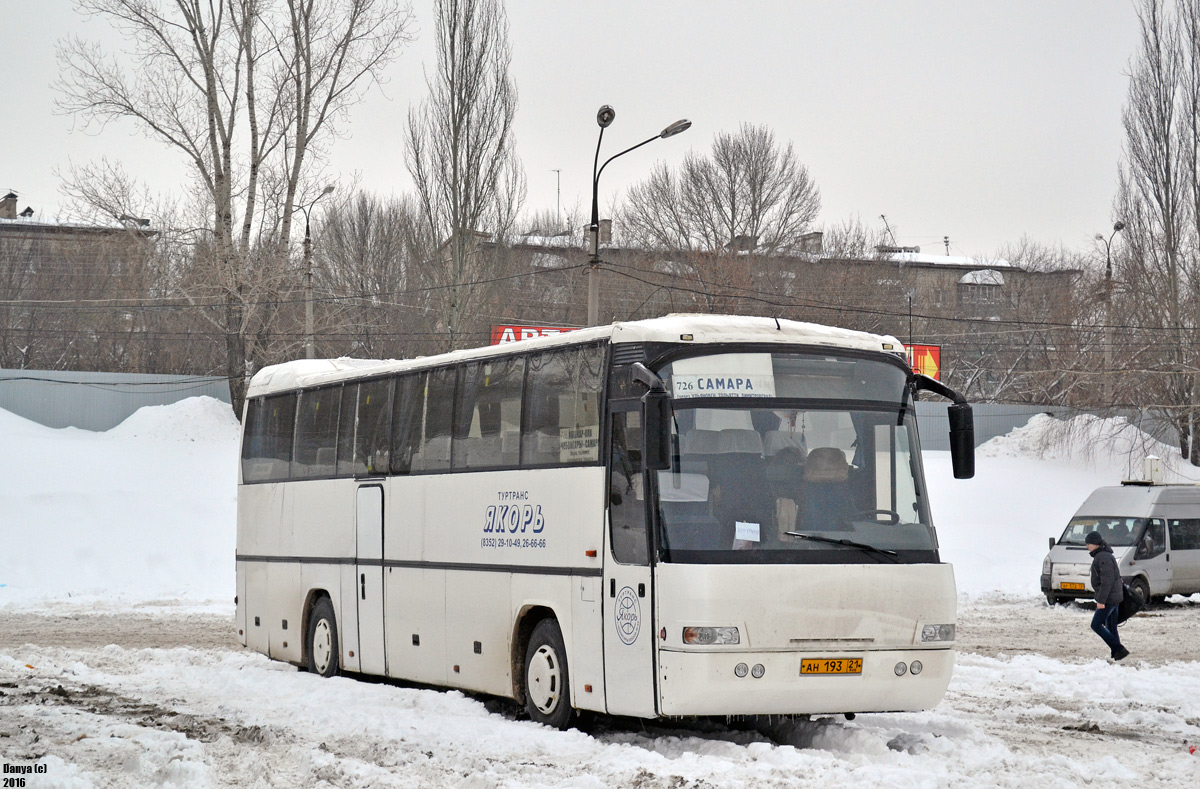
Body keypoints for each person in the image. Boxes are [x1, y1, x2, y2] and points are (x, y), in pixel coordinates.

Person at [1086, 531, 1130, 661]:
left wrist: (1101, 600)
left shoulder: (1103, 557)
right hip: (1114, 596)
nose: (1087, 546)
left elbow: (1107, 581)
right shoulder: (1103, 555)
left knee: (1096, 625)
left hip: (1109, 598)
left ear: (1095, 544)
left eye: (1088, 543)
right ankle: (1116, 654)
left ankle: (1119, 649)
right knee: (1111, 626)